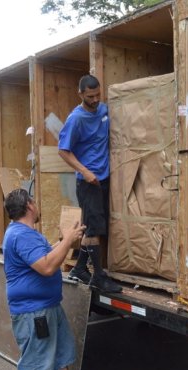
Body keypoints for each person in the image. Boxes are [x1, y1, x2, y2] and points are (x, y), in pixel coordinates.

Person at [3, 188, 98, 370]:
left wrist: (65, 241)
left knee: (60, 349)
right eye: (34, 201)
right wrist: (67, 240)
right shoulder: (22, 235)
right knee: (35, 354)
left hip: (46, 305)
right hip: (33, 310)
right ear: (29, 206)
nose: (37, 205)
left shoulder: (25, 233)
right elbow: (46, 267)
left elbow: (46, 254)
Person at [58, 74, 122, 293]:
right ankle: (99, 277)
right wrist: (84, 171)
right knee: (94, 231)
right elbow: (63, 150)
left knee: (93, 227)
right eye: (90, 97)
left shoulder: (104, 110)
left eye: (97, 95)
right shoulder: (76, 119)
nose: (95, 100)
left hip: (104, 178)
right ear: (81, 94)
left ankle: (79, 269)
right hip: (88, 182)